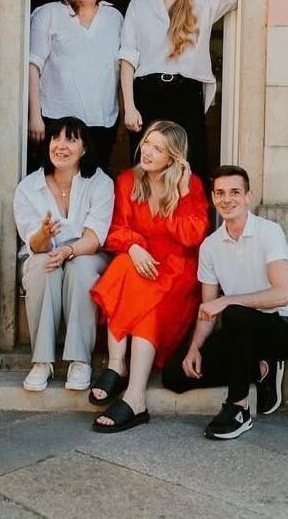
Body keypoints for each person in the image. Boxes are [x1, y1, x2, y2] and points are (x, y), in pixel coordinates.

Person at [88, 120, 209, 432]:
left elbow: (193, 236)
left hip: (176, 270)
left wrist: (181, 195)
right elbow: (113, 230)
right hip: (141, 262)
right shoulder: (128, 180)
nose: (148, 152)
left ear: (173, 158)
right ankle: (118, 367)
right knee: (123, 267)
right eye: (147, 143)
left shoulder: (191, 185)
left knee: (148, 302)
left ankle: (134, 395)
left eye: (159, 148)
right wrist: (134, 247)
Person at [162, 165, 288, 440]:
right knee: (175, 375)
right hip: (238, 333)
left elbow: (281, 294)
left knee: (235, 313)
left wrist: (226, 302)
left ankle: (239, 408)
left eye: (235, 192)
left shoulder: (269, 232)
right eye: (220, 193)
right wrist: (194, 348)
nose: (227, 199)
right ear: (213, 198)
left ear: (248, 196)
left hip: (278, 328)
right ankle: (259, 368)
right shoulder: (211, 246)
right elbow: (208, 309)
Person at [118, 0, 241, 178]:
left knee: (187, 166)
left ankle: (184, 220)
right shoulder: (140, 3)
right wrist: (129, 106)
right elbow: (127, 57)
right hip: (147, 93)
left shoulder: (202, 2)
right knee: (146, 166)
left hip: (186, 94)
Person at [13, 117, 114, 392]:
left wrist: (69, 250)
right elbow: (34, 245)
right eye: (55, 139)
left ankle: (80, 360)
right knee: (44, 265)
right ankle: (42, 361)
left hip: (85, 253)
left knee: (80, 268)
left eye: (70, 139)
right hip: (43, 254)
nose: (61, 146)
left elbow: (93, 239)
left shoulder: (100, 183)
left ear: (84, 149)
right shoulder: (28, 187)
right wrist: (45, 234)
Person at [28, 0, 123, 173]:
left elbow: (119, 69)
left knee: (93, 181)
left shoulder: (114, 18)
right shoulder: (48, 13)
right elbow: (33, 66)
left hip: (101, 119)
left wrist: (124, 113)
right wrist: (34, 116)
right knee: (53, 180)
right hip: (56, 116)